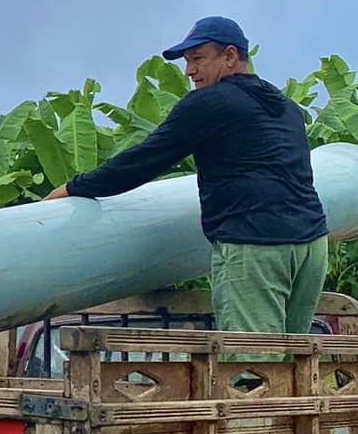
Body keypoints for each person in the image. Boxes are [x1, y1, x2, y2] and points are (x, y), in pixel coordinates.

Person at [46, 17, 330, 336]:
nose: (189, 71)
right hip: (312, 243)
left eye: (197, 59)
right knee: (296, 357)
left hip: (256, 244)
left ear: (230, 56)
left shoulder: (209, 103)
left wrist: (74, 187)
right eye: (187, 61)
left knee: (252, 361)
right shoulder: (286, 107)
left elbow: (145, 159)